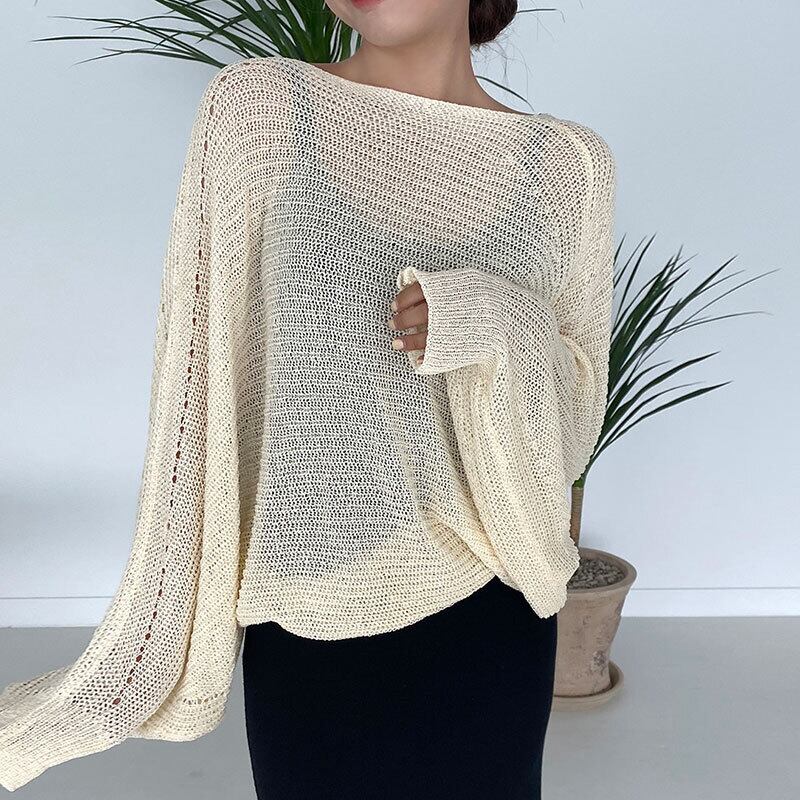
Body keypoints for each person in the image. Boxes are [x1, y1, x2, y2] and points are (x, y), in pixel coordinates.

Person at [0, 0, 616, 797]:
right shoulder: (261, 111)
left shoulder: (566, 165)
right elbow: (200, 382)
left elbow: (571, 431)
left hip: (491, 610)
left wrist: (494, 319)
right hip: (311, 609)